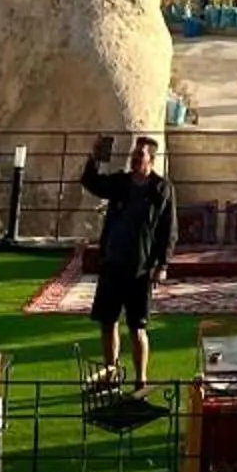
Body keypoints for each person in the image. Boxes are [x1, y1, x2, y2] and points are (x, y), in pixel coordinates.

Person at [80, 133, 176, 393]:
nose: (134, 159)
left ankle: (140, 379)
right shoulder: (120, 182)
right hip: (112, 262)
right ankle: (111, 374)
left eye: (139, 155)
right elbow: (91, 182)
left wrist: (163, 264)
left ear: (151, 160)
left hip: (140, 268)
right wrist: (95, 157)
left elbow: (169, 230)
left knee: (137, 327)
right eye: (133, 155)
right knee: (107, 322)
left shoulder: (161, 189)